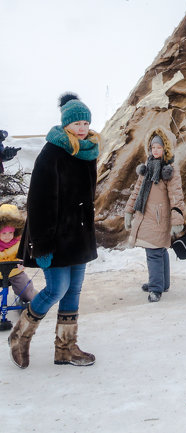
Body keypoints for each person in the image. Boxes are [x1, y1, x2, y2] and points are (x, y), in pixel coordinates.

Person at [9, 93, 99, 369]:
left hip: (79, 236)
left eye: (86, 122)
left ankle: (66, 349)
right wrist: (42, 245)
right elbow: (38, 202)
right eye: (77, 123)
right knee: (56, 288)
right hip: (54, 236)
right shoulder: (52, 153)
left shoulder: (87, 151)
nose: (82, 128)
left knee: (73, 291)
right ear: (66, 124)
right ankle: (20, 335)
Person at [124, 126, 184, 303]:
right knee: (159, 251)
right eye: (153, 147)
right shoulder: (147, 168)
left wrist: (177, 219)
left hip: (159, 218)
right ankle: (162, 283)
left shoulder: (170, 171)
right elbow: (136, 192)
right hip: (146, 215)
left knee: (154, 252)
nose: (155, 150)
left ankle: (156, 288)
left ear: (166, 148)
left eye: (159, 147)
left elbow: (176, 197)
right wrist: (129, 210)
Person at [0, 204, 36, 304]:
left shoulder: (19, 243)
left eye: (10, 233)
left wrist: (22, 261)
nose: (8, 237)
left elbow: (24, 254)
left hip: (15, 273)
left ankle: (28, 296)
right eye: (4, 233)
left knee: (26, 291)